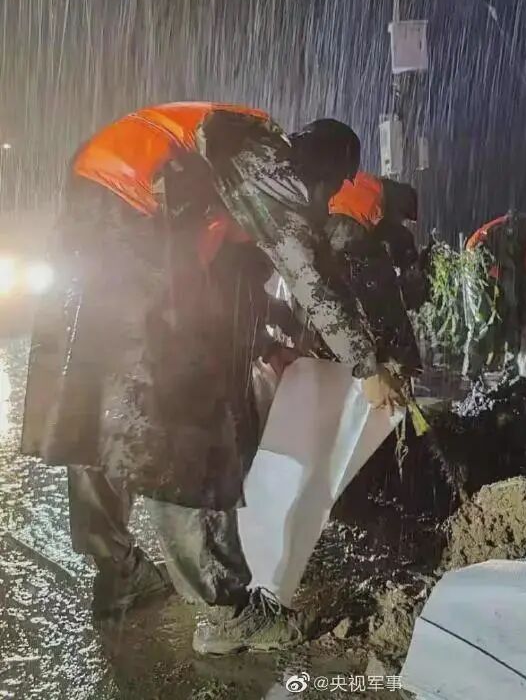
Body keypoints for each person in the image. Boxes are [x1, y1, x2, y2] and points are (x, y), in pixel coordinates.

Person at [21, 102, 402, 653]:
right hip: (130, 232)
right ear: (322, 173)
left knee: (103, 411)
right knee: (187, 430)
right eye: (329, 191)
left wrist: (267, 343)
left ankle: (119, 573)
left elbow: (226, 289)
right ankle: (229, 615)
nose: (323, 206)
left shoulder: (215, 179)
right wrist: (367, 366)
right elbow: (307, 273)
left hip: (94, 222)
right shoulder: (269, 165)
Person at [326, 172, 424, 373]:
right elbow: (398, 241)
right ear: (401, 207)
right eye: (403, 218)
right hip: (347, 235)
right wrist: (412, 278)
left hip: (329, 233)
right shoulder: (382, 202)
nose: (401, 221)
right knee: (385, 300)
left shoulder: (369, 185)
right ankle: (406, 365)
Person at [462, 211, 526, 379]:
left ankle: (511, 367)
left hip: (500, 268)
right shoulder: (516, 231)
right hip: (477, 258)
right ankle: (471, 373)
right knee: (484, 321)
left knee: (509, 315)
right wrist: (488, 266)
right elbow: (512, 283)